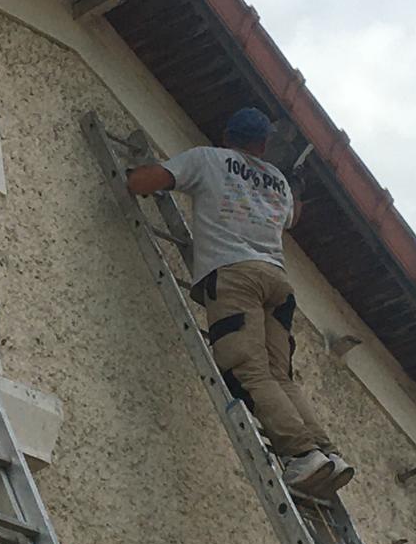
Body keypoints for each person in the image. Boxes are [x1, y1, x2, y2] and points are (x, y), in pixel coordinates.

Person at [126, 107, 353, 496]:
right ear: (263, 145)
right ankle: (328, 455)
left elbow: (148, 181)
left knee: (247, 370)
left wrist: (133, 175)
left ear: (226, 135)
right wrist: (297, 184)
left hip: (235, 276)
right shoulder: (278, 182)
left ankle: (302, 454)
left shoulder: (208, 159)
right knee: (281, 376)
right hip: (277, 283)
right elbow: (293, 217)